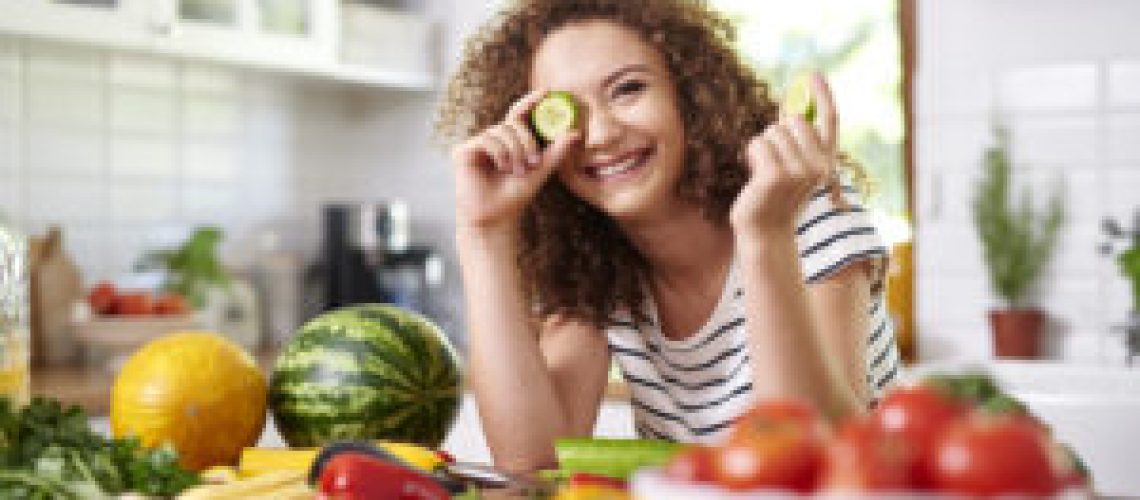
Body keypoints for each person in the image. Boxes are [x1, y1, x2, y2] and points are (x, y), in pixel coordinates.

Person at [435, 0, 901, 474]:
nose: (600, 134)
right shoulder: (597, 263)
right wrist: (484, 232)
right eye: (568, 112)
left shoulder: (800, 209)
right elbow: (534, 459)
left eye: (628, 90)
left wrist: (765, 237)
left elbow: (814, 457)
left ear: (689, 93)